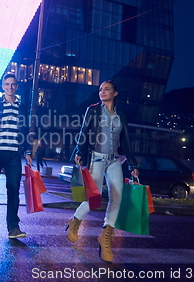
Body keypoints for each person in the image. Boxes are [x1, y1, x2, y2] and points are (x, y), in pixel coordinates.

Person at [67, 80, 139, 263]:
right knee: (94, 198)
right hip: (96, 158)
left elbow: (127, 142)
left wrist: (132, 165)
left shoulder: (121, 115)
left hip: (114, 160)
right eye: (100, 89)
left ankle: (106, 235)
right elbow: (83, 132)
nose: (102, 92)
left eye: (107, 89)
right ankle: (75, 221)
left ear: (115, 93)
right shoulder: (93, 110)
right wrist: (78, 152)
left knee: (117, 197)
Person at [0, 73, 32, 239]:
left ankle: (13, 227)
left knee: (14, 189)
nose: (10, 87)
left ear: (16, 87)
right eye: (7, 84)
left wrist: (28, 151)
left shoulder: (22, 107)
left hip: (14, 154)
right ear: (3, 86)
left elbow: (25, 130)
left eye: (13, 84)